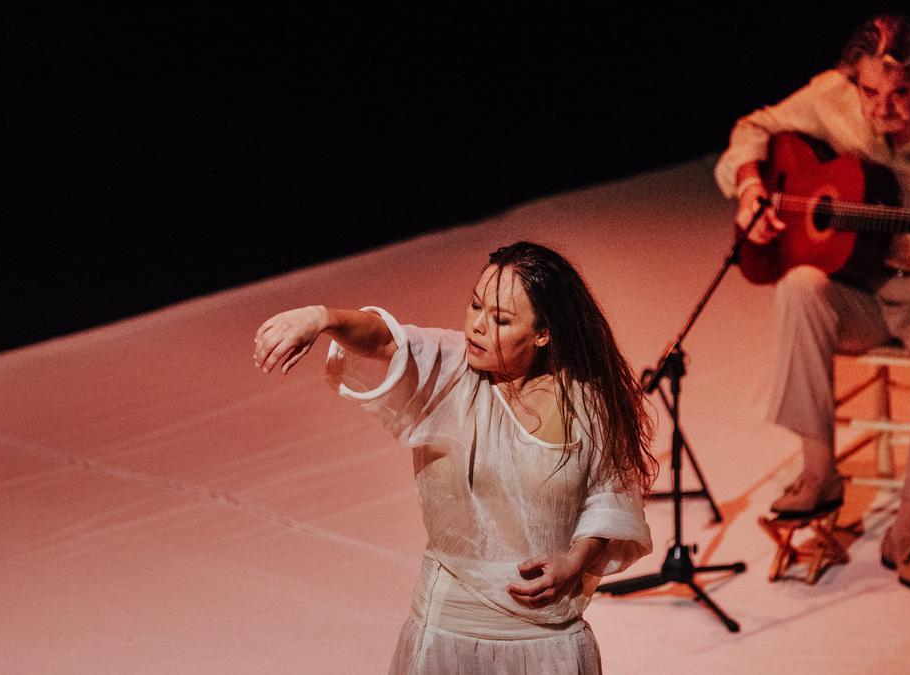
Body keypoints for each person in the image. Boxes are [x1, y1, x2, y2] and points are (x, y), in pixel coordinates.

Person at [714, 14, 910, 591]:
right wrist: (751, 189)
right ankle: (820, 474)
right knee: (798, 287)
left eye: (902, 93)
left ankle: (908, 527)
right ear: (853, 81)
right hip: (868, 285)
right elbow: (752, 129)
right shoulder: (831, 96)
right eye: (870, 92)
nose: (883, 108)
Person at [253, 241, 656, 674]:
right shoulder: (449, 370)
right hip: (449, 627)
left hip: (549, 639)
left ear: (544, 333)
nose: (478, 327)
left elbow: (608, 495)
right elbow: (387, 339)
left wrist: (576, 560)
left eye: (501, 319)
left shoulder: (587, 404)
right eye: (475, 306)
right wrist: (322, 317)